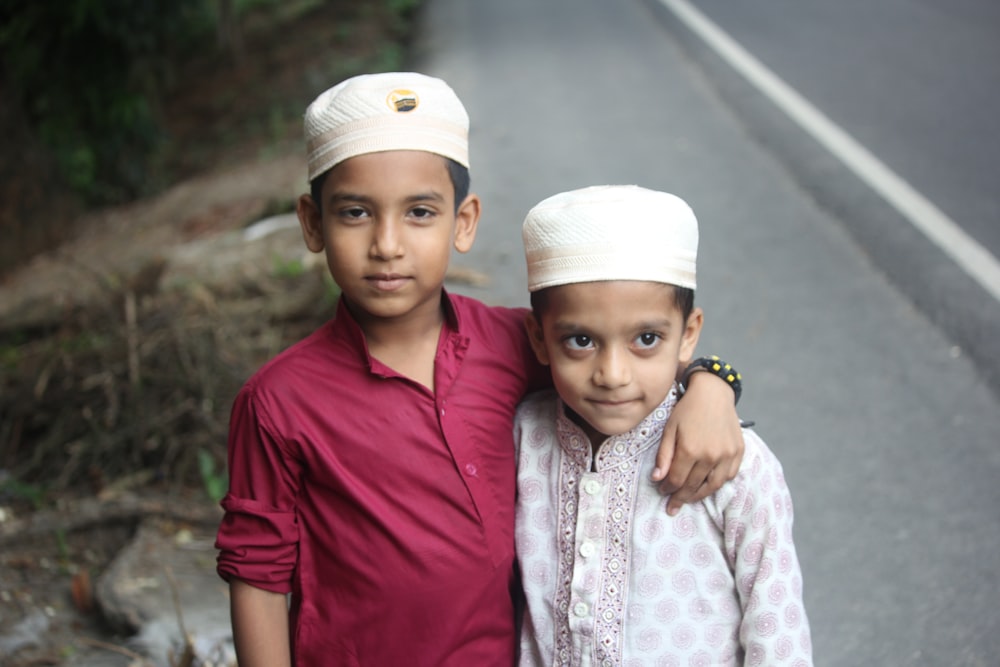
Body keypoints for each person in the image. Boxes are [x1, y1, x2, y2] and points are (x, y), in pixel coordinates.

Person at [215, 73, 745, 666]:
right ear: (313, 224)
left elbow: (623, 366)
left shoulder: (515, 344)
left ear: (463, 222)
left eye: (419, 212)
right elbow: (258, 575)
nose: (387, 244)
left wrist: (711, 383)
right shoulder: (278, 401)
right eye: (356, 213)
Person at [515, 185, 812, 665]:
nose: (613, 373)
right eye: (581, 340)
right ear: (540, 338)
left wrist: (716, 380)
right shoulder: (522, 441)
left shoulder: (736, 464)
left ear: (688, 333)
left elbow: (776, 627)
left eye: (646, 338)